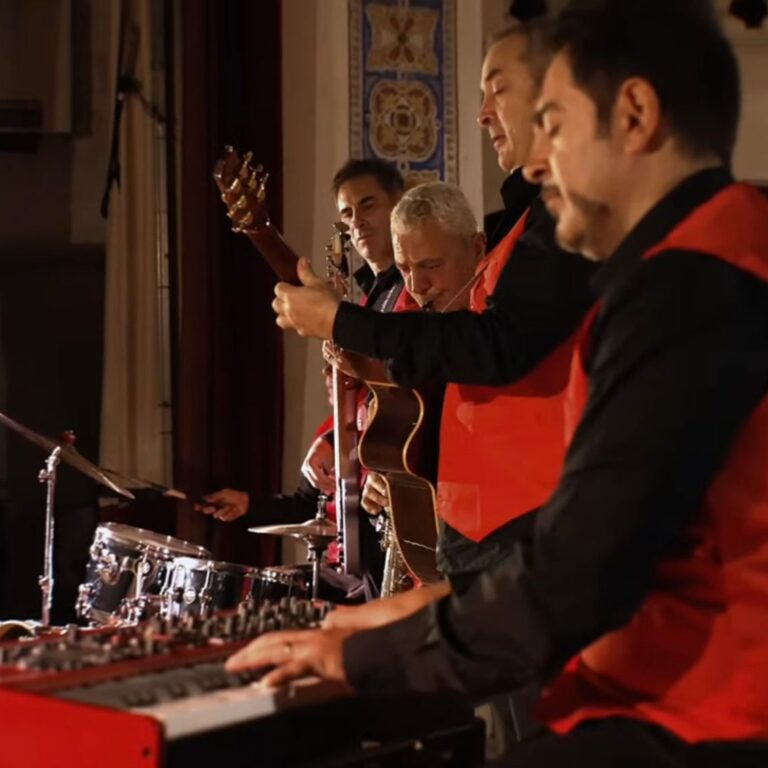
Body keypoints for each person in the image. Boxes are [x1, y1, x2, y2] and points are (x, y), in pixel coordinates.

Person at [228, 3, 768, 766]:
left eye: (554, 124)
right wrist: (435, 604)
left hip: (709, 718)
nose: (537, 165)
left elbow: (582, 577)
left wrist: (371, 658)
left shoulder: (694, 287)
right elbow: (609, 532)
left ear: (636, 115)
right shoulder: (702, 258)